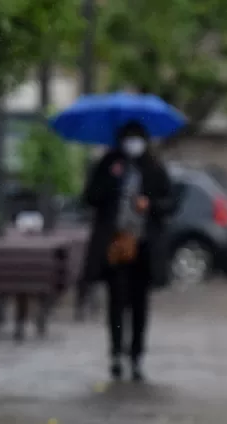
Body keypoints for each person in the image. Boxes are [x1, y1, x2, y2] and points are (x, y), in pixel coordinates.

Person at [80, 121, 172, 382]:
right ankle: (116, 354)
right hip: (115, 246)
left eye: (137, 138)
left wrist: (150, 204)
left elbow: (170, 202)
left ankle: (137, 355)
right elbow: (90, 197)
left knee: (140, 304)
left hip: (143, 247)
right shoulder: (109, 164)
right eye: (128, 138)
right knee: (117, 302)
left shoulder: (153, 167)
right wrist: (113, 183)